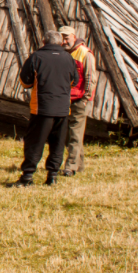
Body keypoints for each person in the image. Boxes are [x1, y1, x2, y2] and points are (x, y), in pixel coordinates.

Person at [10, 30, 78, 188]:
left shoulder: (36, 57)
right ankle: (52, 176)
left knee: (35, 143)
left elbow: (25, 82)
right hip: (62, 108)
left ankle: (27, 177)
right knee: (58, 143)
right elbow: (74, 81)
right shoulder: (68, 58)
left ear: (43, 41)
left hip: (42, 107)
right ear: (60, 42)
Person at [59, 25, 97, 177]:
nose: (64, 41)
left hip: (79, 99)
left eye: (66, 38)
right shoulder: (63, 53)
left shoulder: (84, 53)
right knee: (71, 134)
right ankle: (78, 165)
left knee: (75, 133)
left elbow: (91, 78)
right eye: (62, 38)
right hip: (66, 99)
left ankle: (70, 167)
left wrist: (86, 98)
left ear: (74, 37)